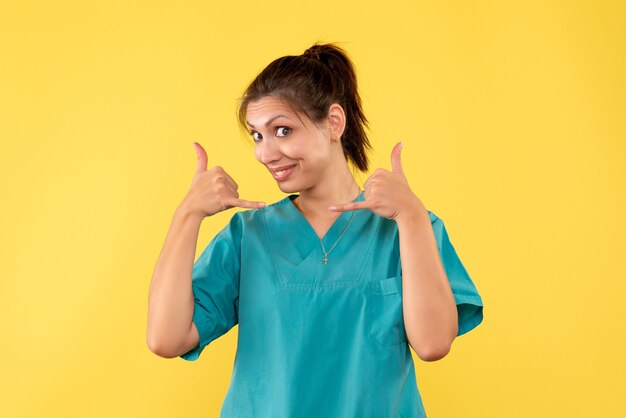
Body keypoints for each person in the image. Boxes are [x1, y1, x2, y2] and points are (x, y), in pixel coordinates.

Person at [147, 42, 484, 418]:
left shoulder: (408, 228)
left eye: (283, 130)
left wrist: (412, 217)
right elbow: (166, 338)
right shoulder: (248, 235)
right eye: (257, 135)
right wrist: (187, 214)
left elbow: (434, 344)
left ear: (334, 123)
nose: (265, 153)